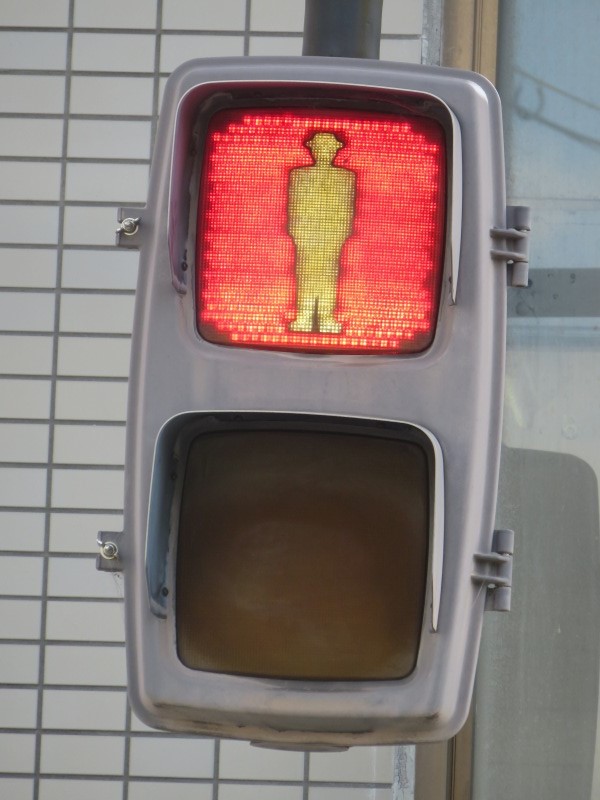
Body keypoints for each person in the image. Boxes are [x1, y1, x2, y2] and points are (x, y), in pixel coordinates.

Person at [288, 132, 356, 334]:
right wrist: (298, 234)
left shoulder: (346, 177)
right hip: (306, 235)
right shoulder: (299, 175)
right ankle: (304, 315)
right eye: (320, 147)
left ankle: (327, 316)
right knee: (305, 275)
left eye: (328, 148)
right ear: (312, 149)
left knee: (329, 276)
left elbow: (347, 208)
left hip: (332, 236)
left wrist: (341, 234)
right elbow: (294, 205)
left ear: (336, 150)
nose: (324, 152)